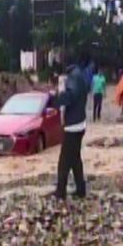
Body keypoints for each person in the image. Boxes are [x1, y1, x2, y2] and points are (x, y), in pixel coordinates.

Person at [52, 52, 90, 200]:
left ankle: (60, 192)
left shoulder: (73, 76)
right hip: (80, 123)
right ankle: (81, 189)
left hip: (73, 126)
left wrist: (55, 99)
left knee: (64, 161)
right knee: (75, 159)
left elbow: (70, 96)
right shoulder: (79, 74)